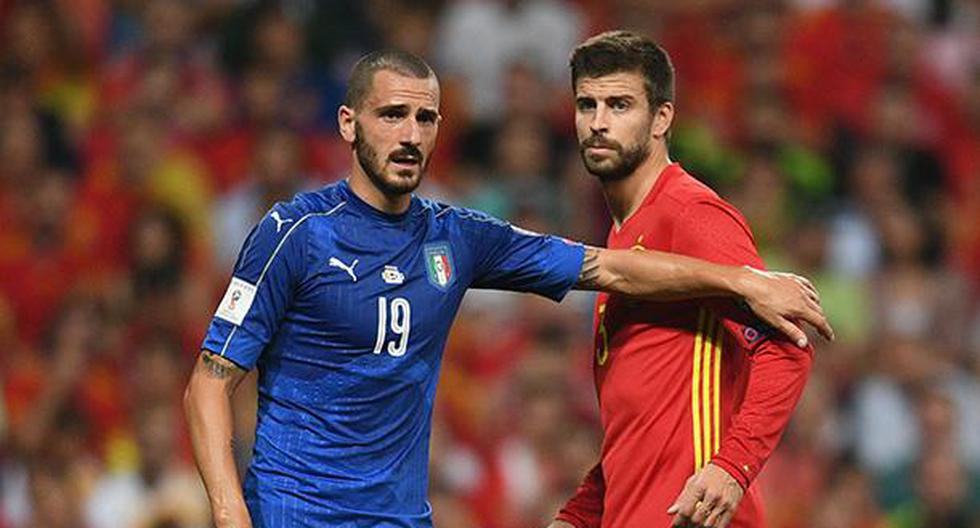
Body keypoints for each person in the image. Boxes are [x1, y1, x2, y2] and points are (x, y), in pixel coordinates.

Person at [184, 50, 832, 527]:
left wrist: (741, 280)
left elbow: (608, 267)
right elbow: (209, 384)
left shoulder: (457, 236)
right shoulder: (293, 232)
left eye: (425, 118)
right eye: (392, 116)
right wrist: (229, 512)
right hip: (293, 512)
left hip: (399, 519)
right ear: (349, 124)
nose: (410, 135)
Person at [552, 31, 820, 528]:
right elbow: (640, 431)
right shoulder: (619, 240)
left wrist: (730, 469)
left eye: (620, 104)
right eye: (586, 104)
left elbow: (787, 348)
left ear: (661, 118)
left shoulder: (689, 214)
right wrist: (578, 516)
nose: (599, 122)